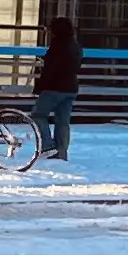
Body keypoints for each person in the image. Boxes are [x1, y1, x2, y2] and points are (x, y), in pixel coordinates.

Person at [30, 13, 84, 161]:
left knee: (38, 115)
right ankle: (61, 151)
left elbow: (50, 69)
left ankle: (48, 147)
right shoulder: (75, 45)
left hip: (54, 87)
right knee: (63, 121)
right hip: (71, 87)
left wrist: (39, 86)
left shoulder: (57, 45)